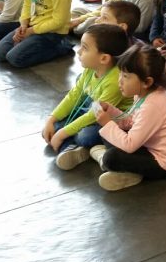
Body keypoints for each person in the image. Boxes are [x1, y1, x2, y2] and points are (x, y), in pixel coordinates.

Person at [91, 44, 166, 191]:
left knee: (111, 156)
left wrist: (107, 124)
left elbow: (130, 145)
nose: (119, 80)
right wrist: (110, 111)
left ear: (147, 82)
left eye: (126, 76)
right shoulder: (143, 94)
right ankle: (125, 170)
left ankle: (108, 162)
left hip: (164, 163)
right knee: (109, 129)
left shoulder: (152, 105)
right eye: (120, 74)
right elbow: (130, 121)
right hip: (148, 147)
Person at [43, 23, 132, 170]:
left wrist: (62, 134)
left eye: (85, 48)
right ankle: (77, 148)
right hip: (94, 108)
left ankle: (76, 148)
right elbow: (74, 95)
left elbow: (93, 116)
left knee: (85, 136)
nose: (79, 51)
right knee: (56, 125)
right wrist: (51, 118)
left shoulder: (114, 82)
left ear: (104, 58)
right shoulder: (91, 68)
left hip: (113, 120)